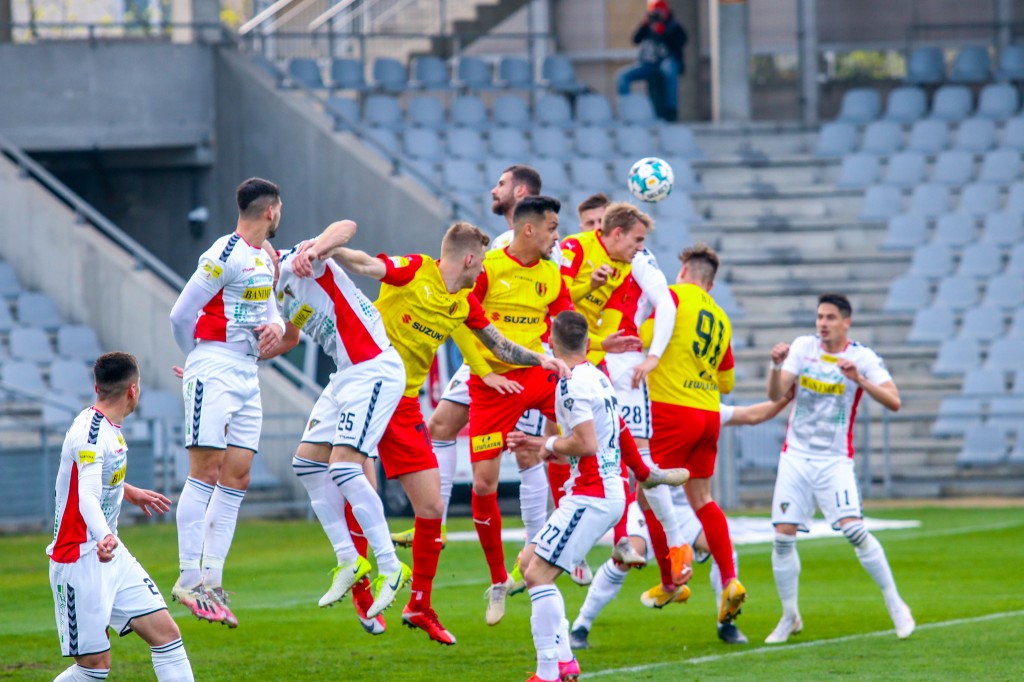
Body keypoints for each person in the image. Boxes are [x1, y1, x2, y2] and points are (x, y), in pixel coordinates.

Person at [324, 220, 570, 645]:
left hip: (403, 403)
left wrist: (540, 359)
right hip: (365, 388)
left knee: (432, 506)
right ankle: (360, 586)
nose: (483, 271)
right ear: (470, 258)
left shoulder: (462, 303)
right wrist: (327, 250)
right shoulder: (416, 269)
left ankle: (419, 605)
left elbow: (498, 344)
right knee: (355, 481)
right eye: (481, 263)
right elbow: (366, 264)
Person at [262, 219, 415, 635]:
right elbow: (290, 338)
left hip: (374, 368)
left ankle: (391, 565)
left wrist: (316, 250)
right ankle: (349, 559)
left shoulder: (300, 259)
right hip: (345, 376)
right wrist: (237, 359)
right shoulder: (273, 293)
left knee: (345, 468)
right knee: (307, 465)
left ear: (271, 255)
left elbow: (346, 226)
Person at [400, 165, 548, 553]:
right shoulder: (499, 244)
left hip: (521, 362)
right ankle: (434, 524)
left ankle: (538, 547)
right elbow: (467, 308)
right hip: (484, 355)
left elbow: (554, 300)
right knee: (440, 425)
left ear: (520, 191)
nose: (493, 190)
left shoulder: (543, 248)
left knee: (526, 452)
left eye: (501, 184)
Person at [569, 397, 793, 650]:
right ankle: (581, 626)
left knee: (725, 552)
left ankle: (726, 623)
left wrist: (786, 397)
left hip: (685, 510)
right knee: (626, 556)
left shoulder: (697, 405)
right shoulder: (646, 409)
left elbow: (751, 414)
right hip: (648, 504)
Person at [167, 177, 286, 627]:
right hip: (215, 365)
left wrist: (276, 326)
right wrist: (197, 359)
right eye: (280, 209)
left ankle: (213, 582)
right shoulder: (225, 253)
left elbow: (269, 310)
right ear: (270, 211)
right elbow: (181, 314)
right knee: (206, 472)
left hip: (247, 373)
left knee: (237, 476)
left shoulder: (263, 257)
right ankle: (188, 579)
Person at [765, 293, 914, 643]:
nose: (823, 323)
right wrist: (775, 366)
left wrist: (860, 379)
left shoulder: (862, 357)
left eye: (830, 317)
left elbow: (894, 401)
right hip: (795, 457)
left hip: (834, 461)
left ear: (846, 322)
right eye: (820, 317)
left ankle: (896, 605)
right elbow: (775, 395)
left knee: (854, 531)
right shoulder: (802, 347)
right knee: (782, 538)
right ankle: (789, 616)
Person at [47, 352, 195, 682]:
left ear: (97, 388)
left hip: (110, 554)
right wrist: (104, 536)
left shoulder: (103, 425)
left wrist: (128, 491)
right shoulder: (90, 434)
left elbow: (89, 477)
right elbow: (87, 496)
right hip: (78, 559)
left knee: (167, 636)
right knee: (94, 667)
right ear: (133, 390)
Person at [507, 311, 628, 682]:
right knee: (529, 562)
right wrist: (551, 447)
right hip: (600, 488)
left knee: (538, 576)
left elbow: (585, 443)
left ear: (550, 343)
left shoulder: (571, 384)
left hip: (592, 493)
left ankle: (548, 671)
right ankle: (565, 662)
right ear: (588, 343)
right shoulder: (598, 377)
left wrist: (541, 443)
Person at [633, 243, 745, 627]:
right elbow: (727, 382)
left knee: (646, 494)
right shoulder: (721, 317)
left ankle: (670, 581)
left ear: (682, 273)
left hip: (671, 409)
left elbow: (644, 336)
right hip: (708, 413)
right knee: (703, 499)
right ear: (710, 285)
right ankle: (729, 580)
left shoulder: (671, 298)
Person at [617, 0, 688, 122]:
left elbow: (682, 41)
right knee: (622, 76)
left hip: (666, 62)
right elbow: (635, 40)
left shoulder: (673, 26)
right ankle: (626, 109)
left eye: (659, 12)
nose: (656, 15)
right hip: (648, 64)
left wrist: (664, 32)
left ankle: (671, 110)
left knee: (669, 70)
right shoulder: (647, 25)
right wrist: (644, 25)